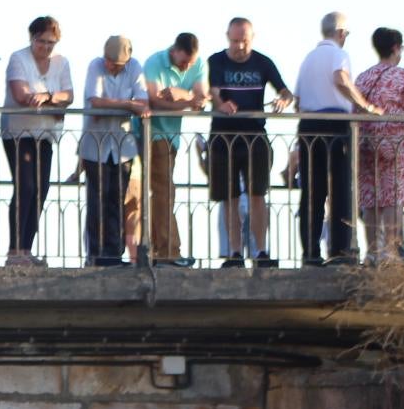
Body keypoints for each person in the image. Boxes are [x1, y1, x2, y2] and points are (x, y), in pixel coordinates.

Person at [206, 18, 294, 267]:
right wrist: (220, 103)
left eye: (244, 41)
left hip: (255, 137)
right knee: (229, 197)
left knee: (257, 195)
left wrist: (282, 102)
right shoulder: (216, 61)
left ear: (252, 38)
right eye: (235, 41)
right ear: (227, 37)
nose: (239, 46)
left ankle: (261, 251)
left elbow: (286, 92)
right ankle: (234, 253)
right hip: (223, 137)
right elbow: (210, 91)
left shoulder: (263, 62)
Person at [295, 12, 381, 265]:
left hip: (309, 126)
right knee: (340, 189)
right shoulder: (339, 55)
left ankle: (310, 251)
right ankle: (340, 250)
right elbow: (340, 79)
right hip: (335, 124)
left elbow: (298, 100)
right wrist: (365, 105)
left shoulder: (308, 59)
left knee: (312, 191)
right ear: (341, 33)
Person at [355, 28, 404, 266]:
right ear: (396, 47)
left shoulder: (363, 78)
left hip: (365, 143)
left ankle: (373, 252)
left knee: (370, 198)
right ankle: (391, 252)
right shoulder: (403, 77)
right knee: (392, 198)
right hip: (396, 147)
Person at [3, 15, 71, 266]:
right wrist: (53, 100)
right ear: (32, 38)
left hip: (46, 135)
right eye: (42, 41)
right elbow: (21, 95)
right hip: (19, 134)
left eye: (51, 42)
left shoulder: (62, 63)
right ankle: (15, 250)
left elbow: (69, 95)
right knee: (26, 187)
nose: (46, 47)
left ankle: (26, 249)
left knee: (41, 189)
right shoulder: (18, 58)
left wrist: (47, 97)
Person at [81, 36, 150, 267]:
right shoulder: (95, 66)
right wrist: (127, 105)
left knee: (116, 201)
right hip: (95, 146)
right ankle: (96, 253)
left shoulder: (135, 68)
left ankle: (113, 254)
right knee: (97, 201)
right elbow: (95, 102)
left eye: (116, 64)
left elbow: (143, 103)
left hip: (122, 148)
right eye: (108, 61)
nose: (110, 66)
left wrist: (120, 105)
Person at [140, 32, 208, 266]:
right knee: (164, 191)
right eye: (183, 61)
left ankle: (161, 250)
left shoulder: (198, 64)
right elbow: (155, 100)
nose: (187, 66)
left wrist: (183, 96)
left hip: (172, 137)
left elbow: (202, 98)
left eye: (190, 62)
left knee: (162, 192)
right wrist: (189, 101)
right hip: (153, 133)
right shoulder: (154, 63)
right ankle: (168, 251)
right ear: (174, 50)